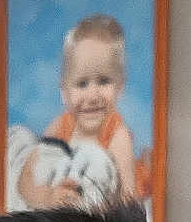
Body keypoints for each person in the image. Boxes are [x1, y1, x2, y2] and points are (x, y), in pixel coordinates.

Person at [14, 14, 138, 210]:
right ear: (64, 92)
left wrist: (97, 211)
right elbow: (26, 179)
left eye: (104, 81)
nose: (92, 95)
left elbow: (129, 202)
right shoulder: (61, 126)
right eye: (81, 84)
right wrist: (47, 198)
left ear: (120, 87)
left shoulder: (116, 134)